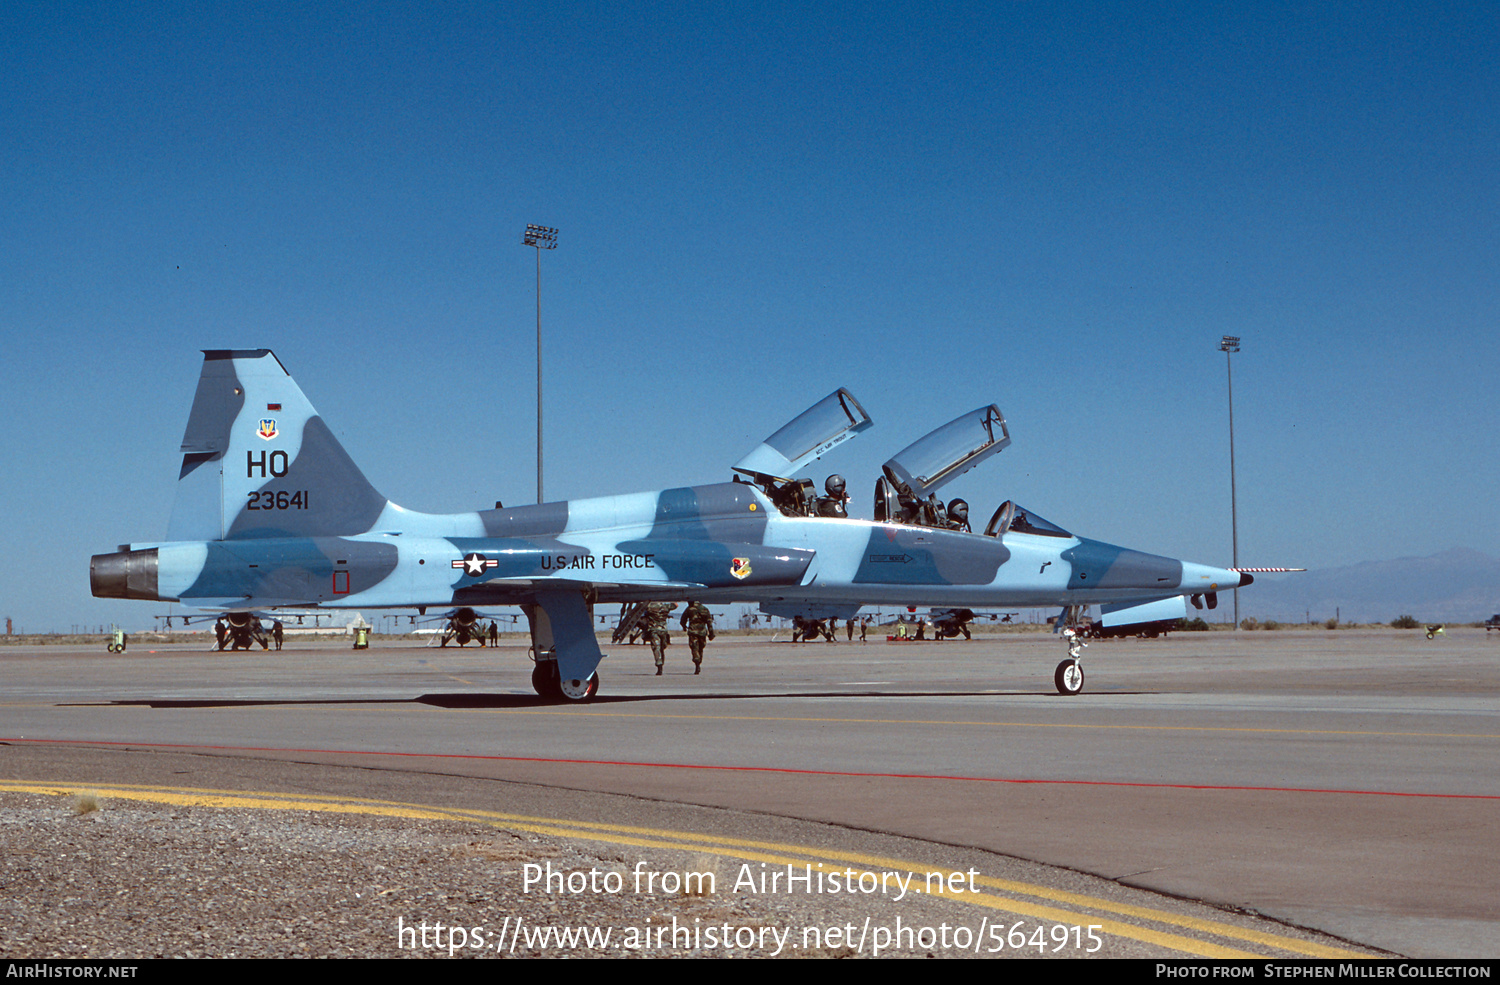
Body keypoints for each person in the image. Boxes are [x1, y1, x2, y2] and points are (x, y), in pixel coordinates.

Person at [679, 600, 716, 674]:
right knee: (700, 648)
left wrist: (684, 627)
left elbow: (682, 620)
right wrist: (711, 633)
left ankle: (697, 662)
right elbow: (709, 622)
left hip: (693, 632)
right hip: (702, 632)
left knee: (694, 648)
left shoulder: (689, 609)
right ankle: (699, 662)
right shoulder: (705, 609)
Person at [643, 601, 676, 675]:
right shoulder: (666, 606)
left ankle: (659, 665)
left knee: (656, 648)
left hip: (654, 630)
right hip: (663, 630)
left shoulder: (649, 607)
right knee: (662, 647)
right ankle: (661, 664)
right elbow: (676, 604)